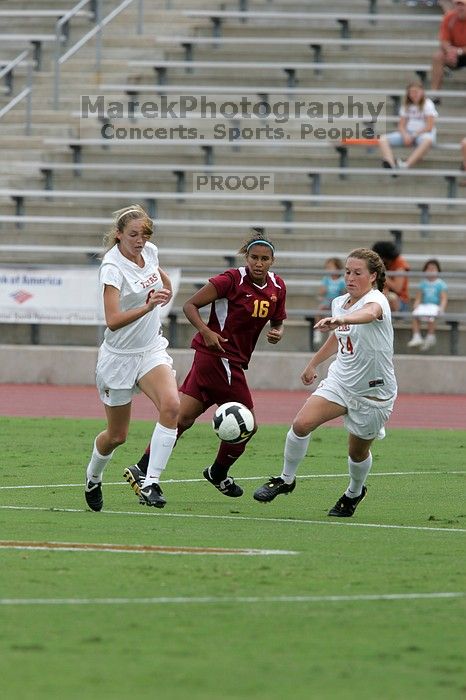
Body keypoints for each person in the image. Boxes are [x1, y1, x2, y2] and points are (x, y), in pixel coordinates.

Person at [124, 233, 287, 500]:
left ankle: (141, 468)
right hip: (220, 358)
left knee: (183, 419)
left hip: (219, 360)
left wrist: (277, 332)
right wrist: (206, 331)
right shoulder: (231, 280)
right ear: (246, 258)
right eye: (254, 257)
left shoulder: (277, 287)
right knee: (249, 425)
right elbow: (190, 305)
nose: (258, 263)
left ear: (272, 261)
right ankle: (218, 473)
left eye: (264, 259)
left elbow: (278, 321)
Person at [253, 248, 397, 518]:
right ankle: (285, 479)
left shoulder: (378, 300)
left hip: (373, 392)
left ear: (373, 276)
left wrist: (342, 319)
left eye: (357, 273)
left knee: (357, 453)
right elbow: (340, 336)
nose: (350, 278)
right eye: (347, 272)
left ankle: (354, 492)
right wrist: (313, 363)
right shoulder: (340, 302)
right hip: (341, 381)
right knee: (301, 424)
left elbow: (367, 314)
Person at [84, 204, 180, 512]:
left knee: (171, 406)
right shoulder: (112, 268)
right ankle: (93, 477)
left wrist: (164, 291)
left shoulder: (150, 252)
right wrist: (149, 306)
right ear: (119, 235)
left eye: (145, 234)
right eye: (134, 234)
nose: (140, 240)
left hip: (150, 349)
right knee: (117, 436)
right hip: (118, 357)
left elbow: (161, 281)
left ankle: (149, 482)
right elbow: (112, 320)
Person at [377, 82, 438, 170]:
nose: (414, 94)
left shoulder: (428, 104)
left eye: (416, 91)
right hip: (408, 133)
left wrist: (413, 135)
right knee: (382, 139)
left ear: (422, 92)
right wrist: (405, 135)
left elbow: (429, 126)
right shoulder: (406, 105)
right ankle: (390, 163)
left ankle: (405, 165)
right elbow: (401, 125)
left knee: (427, 141)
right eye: (411, 92)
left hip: (423, 134)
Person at [407, 258, 448, 350]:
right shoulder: (423, 284)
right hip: (424, 305)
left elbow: (443, 298)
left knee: (431, 316)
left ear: (438, 271)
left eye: (433, 269)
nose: (431, 271)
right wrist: (416, 304)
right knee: (415, 314)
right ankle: (416, 336)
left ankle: (430, 336)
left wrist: (442, 308)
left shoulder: (441, 284)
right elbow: (418, 297)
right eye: (428, 269)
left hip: (435, 306)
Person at [431, 0, 466, 94]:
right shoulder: (449, 17)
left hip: (461, 52)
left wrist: (458, 51)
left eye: (462, 5)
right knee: (438, 56)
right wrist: (450, 51)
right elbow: (444, 40)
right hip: (454, 53)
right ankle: (435, 94)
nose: (460, 8)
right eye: (457, 5)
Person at [314, 257, 346, 347]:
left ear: (337, 268)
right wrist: (322, 291)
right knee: (319, 310)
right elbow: (321, 292)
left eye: (330, 267)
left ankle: (332, 332)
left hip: (337, 302)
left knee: (335, 314)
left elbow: (344, 293)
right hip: (327, 301)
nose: (328, 270)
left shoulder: (341, 280)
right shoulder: (326, 279)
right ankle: (317, 332)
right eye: (327, 268)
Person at [372, 240, 411, 312]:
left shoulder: (400, 264)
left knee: (391, 297)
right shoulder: (381, 263)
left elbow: (397, 288)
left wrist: (382, 274)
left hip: (400, 301)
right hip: (384, 295)